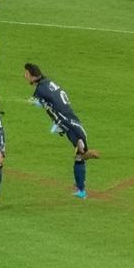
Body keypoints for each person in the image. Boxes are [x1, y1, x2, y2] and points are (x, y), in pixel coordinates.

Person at [24, 62, 98, 198]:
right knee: (79, 153)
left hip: (69, 123)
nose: (25, 76)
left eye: (27, 74)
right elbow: (54, 101)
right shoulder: (47, 82)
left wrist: (57, 121)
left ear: (33, 76)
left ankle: (81, 189)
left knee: (80, 152)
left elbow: (50, 106)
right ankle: (80, 187)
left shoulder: (40, 90)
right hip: (70, 120)